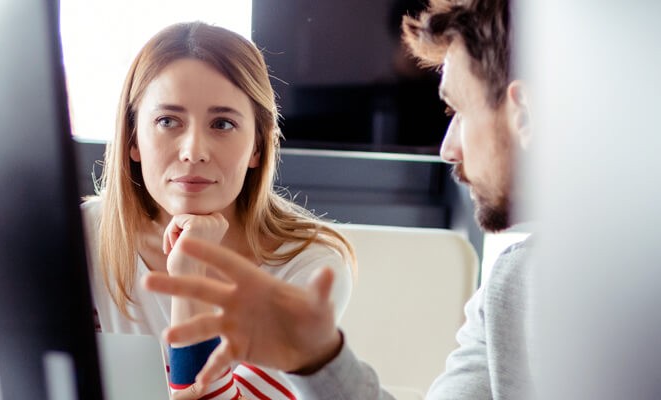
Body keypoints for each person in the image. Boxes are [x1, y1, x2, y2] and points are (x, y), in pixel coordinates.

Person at [142, 0, 533, 398]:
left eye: (459, 109)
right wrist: (317, 359)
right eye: (167, 121)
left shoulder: (310, 262)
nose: (448, 148)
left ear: (524, 115)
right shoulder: (509, 291)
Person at [81, 21, 357, 400]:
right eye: (167, 121)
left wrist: (190, 272)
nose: (194, 150)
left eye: (222, 123)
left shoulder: (310, 268)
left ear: (257, 147)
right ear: (133, 140)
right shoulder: (80, 235)